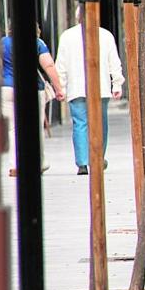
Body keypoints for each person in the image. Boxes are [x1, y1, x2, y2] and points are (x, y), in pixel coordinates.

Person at [55, 22, 124, 175]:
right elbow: (114, 61)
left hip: (76, 88)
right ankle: (98, 158)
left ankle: (82, 162)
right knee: (100, 125)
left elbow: (61, 65)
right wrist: (117, 84)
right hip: (101, 87)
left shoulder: (67, 36)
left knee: (80, 124)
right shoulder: (106, 35)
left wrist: (61, 87)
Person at [2, 27, 65, 176]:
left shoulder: (2, 43)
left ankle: (14, 165)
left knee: (12, 129)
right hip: (33, 89)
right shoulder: (37, 43)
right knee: (35, 128)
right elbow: (48, 65)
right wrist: (59, 89)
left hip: (7, 88)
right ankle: (39, 163)